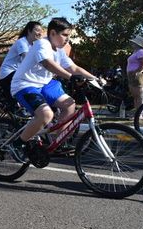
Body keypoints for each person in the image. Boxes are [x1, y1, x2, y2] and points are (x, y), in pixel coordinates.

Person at [10, 17, 99, 161]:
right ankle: (18, 143)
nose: (67, 39)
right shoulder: (42, 44)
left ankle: (57, 142)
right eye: (64, 35)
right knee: (46, 115)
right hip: (25, 84)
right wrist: (70, 77)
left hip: (44, 83)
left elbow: (74, 67)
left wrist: (95, 79)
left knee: (69, 104)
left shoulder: (59, 50)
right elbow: (47, 63)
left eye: (69, 36)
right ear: (52, 33)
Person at [0, 21, 44, 101]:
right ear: (29, 31)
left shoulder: (33, 45)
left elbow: (41, 59)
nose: (40, 33)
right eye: (37, 30)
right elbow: (26, 59)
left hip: (18, 72)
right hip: (8, 73)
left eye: (41, 31)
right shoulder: (22, 42)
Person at [126, 35, 143, 114]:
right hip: (132, 75)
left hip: (137, 75)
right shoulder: (135, 52)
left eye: (134, 42)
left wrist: (137, 72)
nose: (132, 44)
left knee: (139, 96)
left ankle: (140, 113)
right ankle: (137, 113)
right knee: (135, 96)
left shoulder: (141, 52)